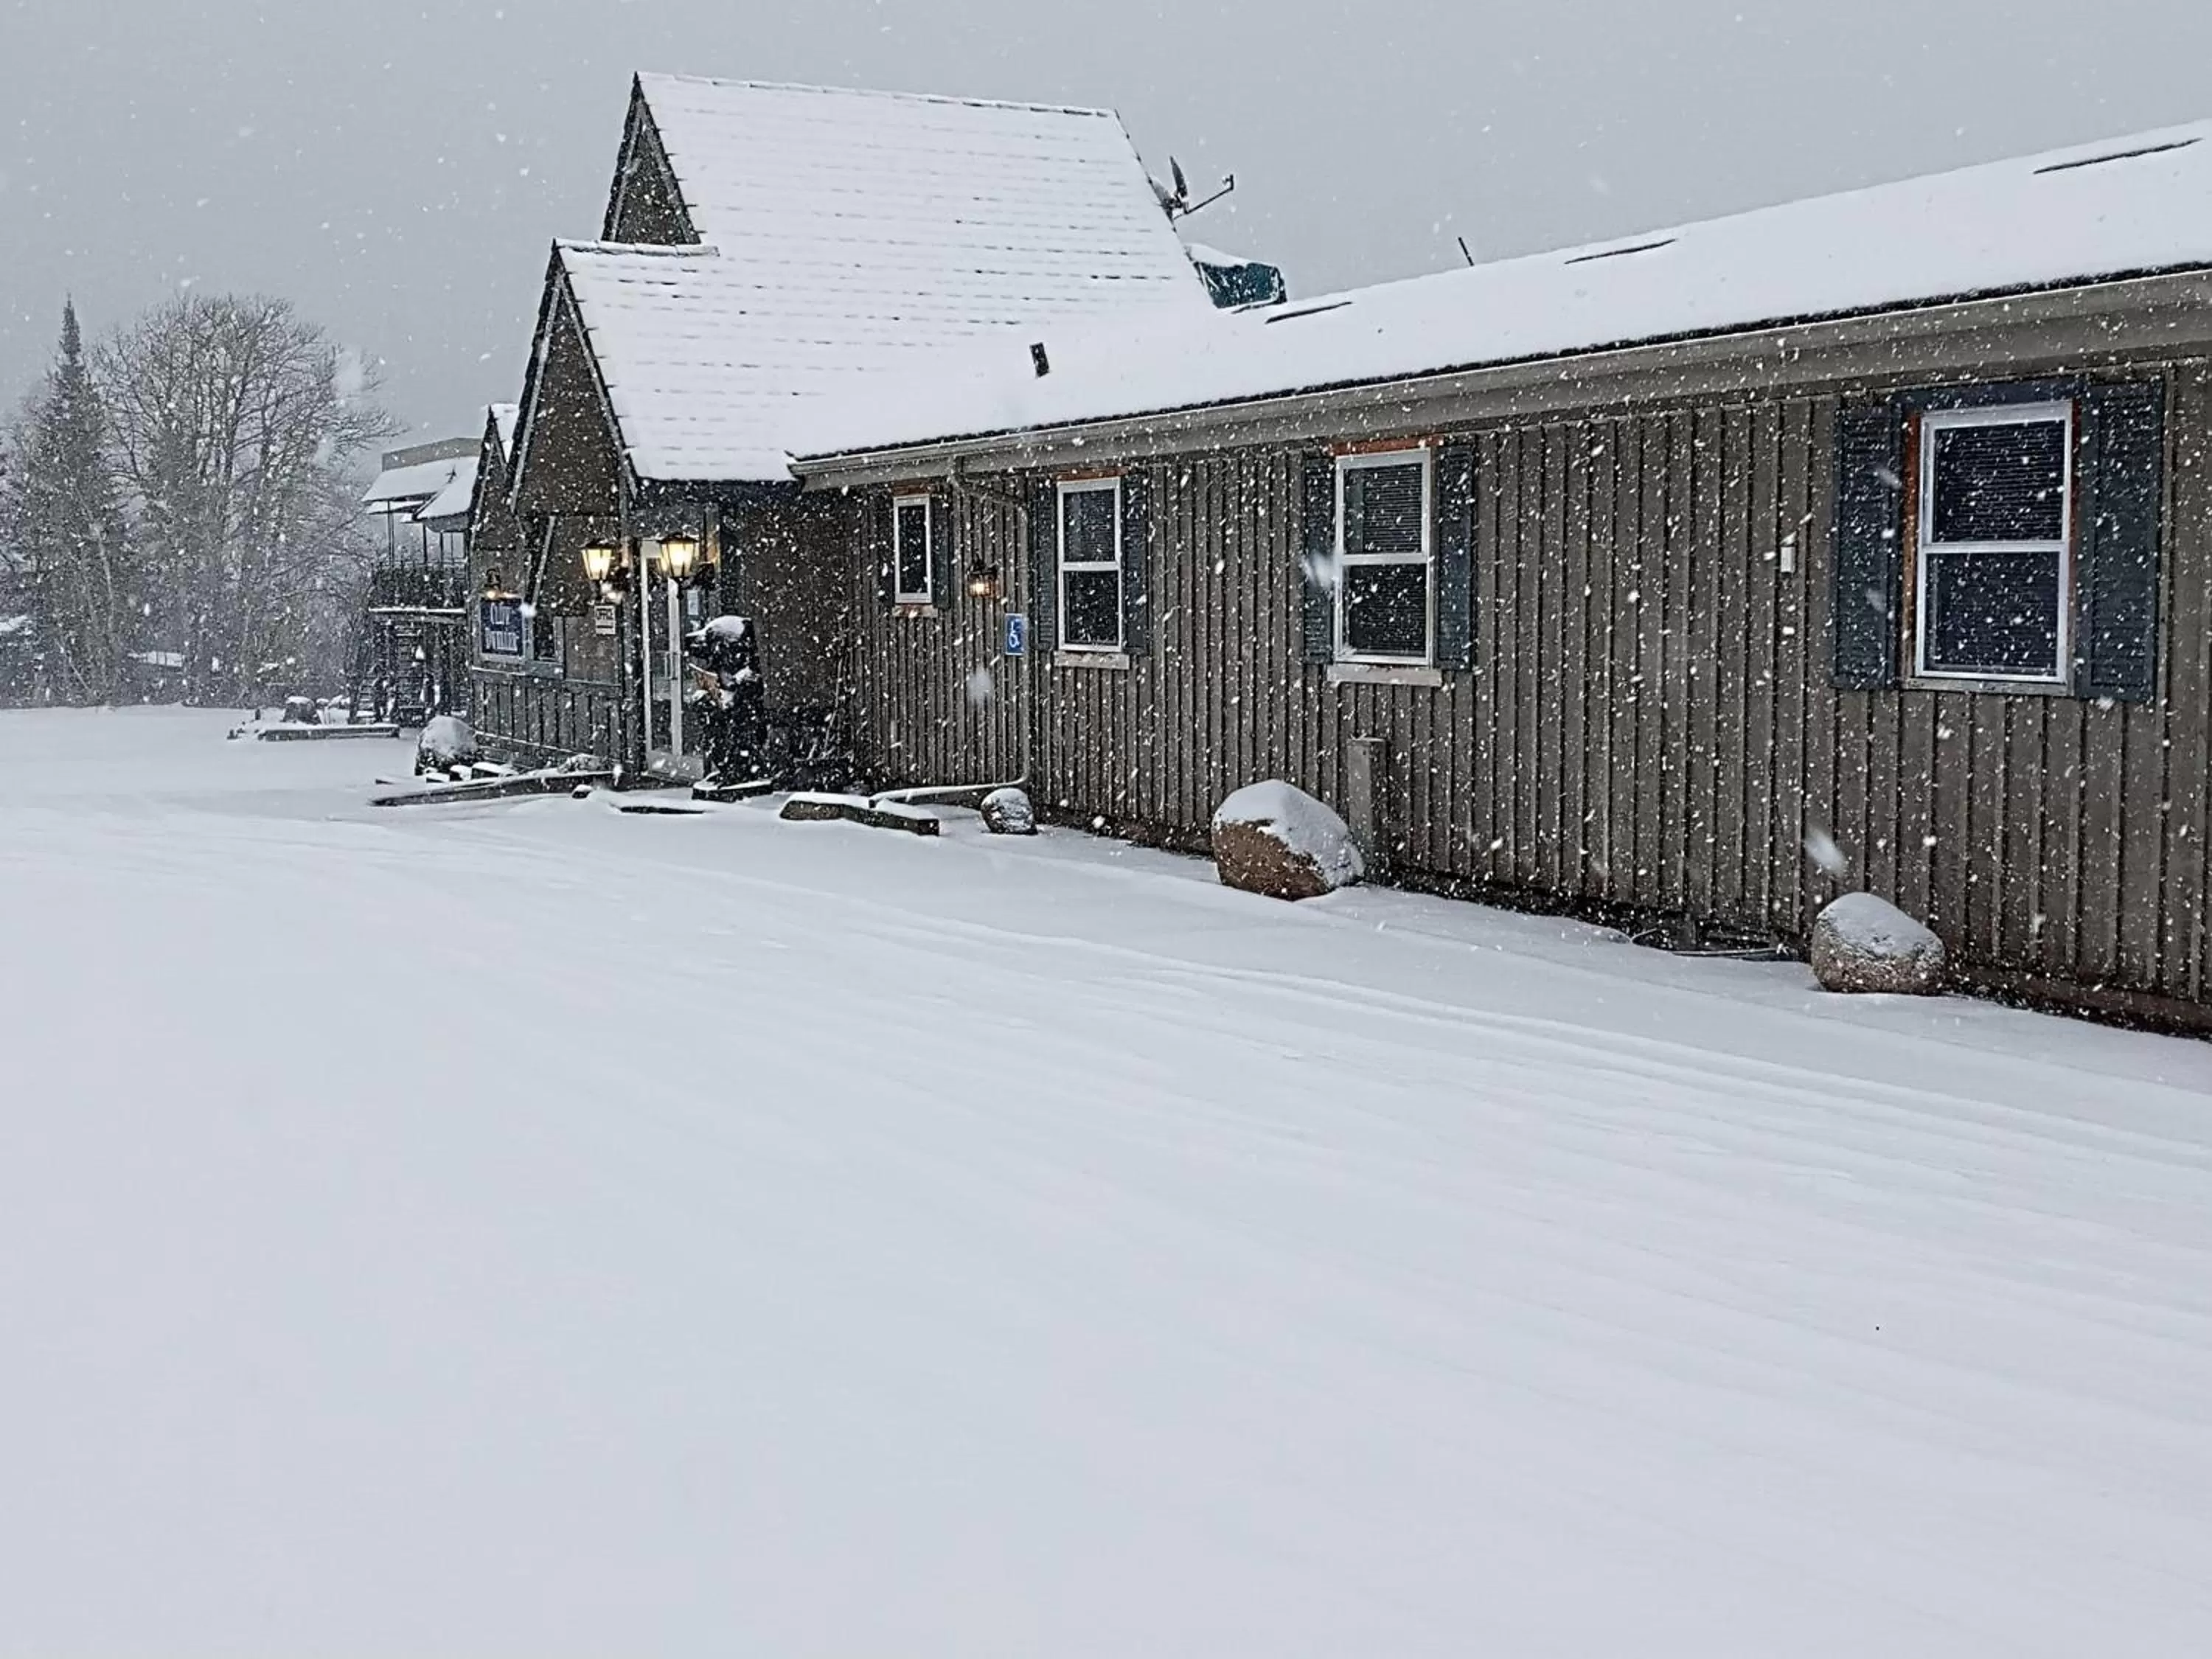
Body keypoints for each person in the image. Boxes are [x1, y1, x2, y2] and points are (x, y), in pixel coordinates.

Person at [684, 614, 768, 785]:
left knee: (739, 734)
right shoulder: (720, 660)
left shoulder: (747, 668)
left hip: (739, 710)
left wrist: (735, 689)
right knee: (717, 734)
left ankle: (738, 770)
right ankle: (728, 768)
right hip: (726, 707)